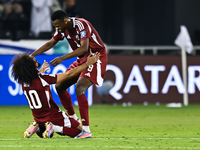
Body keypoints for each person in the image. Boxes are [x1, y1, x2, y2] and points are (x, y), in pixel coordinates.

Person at [30, 10, 108, 138]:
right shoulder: (62, 29)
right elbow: (50, 43)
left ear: (65, 21)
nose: (57, 28)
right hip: (82, 59)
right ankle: (73, 119)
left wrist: (62, 58)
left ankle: (86, 130)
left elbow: (84, 48)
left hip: (95, 57)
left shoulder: (81, 25)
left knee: (80, 88)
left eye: (58, 25)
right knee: (59, 86)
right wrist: (31, 55)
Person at [10, 52, 100, 138]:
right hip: (53, 116)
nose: (36, 60)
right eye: (34, 61)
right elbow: (69, 74)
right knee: (81, 131)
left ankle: (36, 127)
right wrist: (87, 64)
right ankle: (54, 127)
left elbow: (33, 78)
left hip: (38, 118)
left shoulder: (23, 82)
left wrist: (39, 72)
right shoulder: (43, 79)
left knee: (45, 134)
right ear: (30, 67)